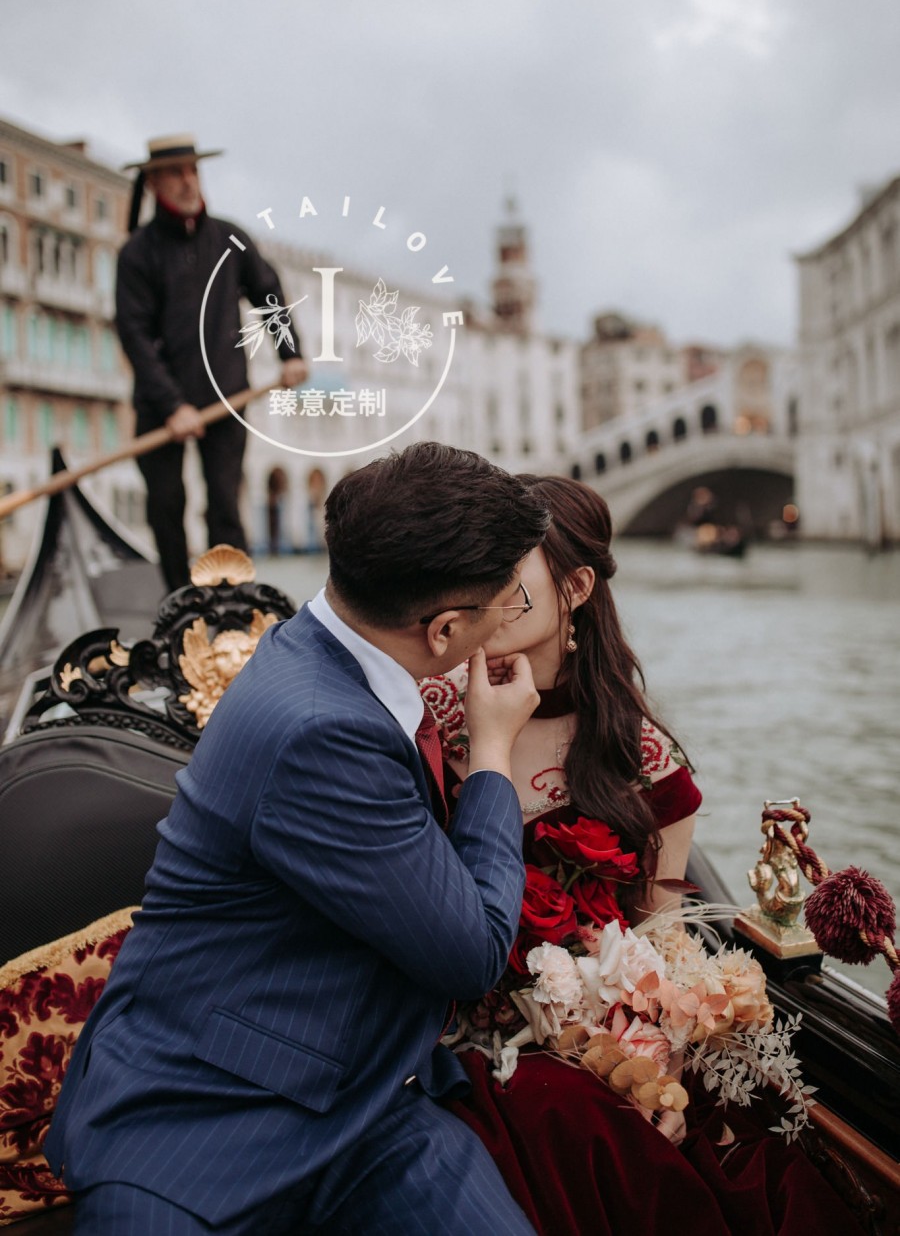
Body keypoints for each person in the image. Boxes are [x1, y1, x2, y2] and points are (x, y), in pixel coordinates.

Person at [45, 442, 550, 1235]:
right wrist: (492, 753)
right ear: (446, 629)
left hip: (364, 1100)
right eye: (509, 600)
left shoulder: (315, 648)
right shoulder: (323, 730)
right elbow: (473, 950)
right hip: (202, 1120)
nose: (514, 614)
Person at [421, 475, 867, 1236]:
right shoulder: (428, 714)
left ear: (576, 588)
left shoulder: (645, 761)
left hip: (591, 1037)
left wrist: (655, 1056)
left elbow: (662, 934)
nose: (478, 595)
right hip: (451, 1029)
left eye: (504, 573)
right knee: (564, 1118)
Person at [116, 134, 308, 592]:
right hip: (159, 405)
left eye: (192, 170)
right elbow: (134, 335)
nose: (188, 181)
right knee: (165, 505)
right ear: (153, 182)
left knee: (225, 503)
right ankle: (178, 600)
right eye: (176, 172)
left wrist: (291, 353)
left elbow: (268, 295)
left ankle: (232, 601)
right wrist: (172, 406)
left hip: (226, 394)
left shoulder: (229, 238)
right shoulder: (136, 254)